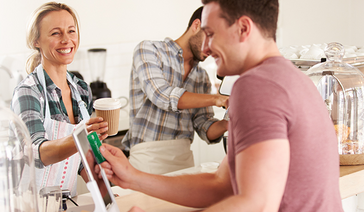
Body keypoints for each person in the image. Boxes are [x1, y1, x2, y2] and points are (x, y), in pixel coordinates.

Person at [95, 0, 344, 211]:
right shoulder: (295, 79)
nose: (205, 48)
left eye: (211, 34)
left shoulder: (256, 85)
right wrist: (132, 177)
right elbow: (222, 184)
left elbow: (255, 204)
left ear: (243, 28)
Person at [11, 2, 108, 197]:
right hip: (31, 205)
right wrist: (82, 136)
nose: (66, 40)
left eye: (71, 31)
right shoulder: (28, 91)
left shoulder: (81, 89)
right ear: (36, 40)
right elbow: (36, 154)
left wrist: (105, 193)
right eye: (55, 33)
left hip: (65, 203)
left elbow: (81, 160)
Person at [122, 6, 229, 174]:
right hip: (147, 158)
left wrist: (228, 123)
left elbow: (203, 125)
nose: (213, 48)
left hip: (183, 160)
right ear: (196, 25)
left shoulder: (201, 76)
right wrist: (218, 99)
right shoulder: (149, 50)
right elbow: (162, 95)